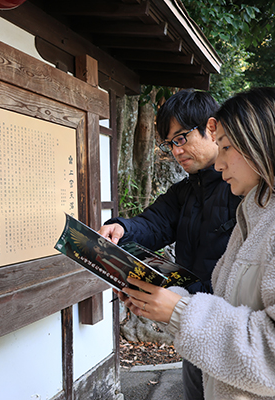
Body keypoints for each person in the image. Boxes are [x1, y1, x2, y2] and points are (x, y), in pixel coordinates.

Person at [121, 87, 275, 399]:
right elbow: (155, 222)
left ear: (259, 142)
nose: (220, 163)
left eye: (224, 146)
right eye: (170, 144)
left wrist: (180, 312)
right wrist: (166, 302)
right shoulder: (256, 208)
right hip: (211, 355)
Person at [98, 88, 241, 399]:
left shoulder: (243, 187)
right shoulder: (185, 191)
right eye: (169, 144)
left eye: (181, 138)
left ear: (211, 128)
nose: (176, 151)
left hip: (234, 329)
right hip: (191, 324)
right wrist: (122, 229)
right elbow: (154, 224)